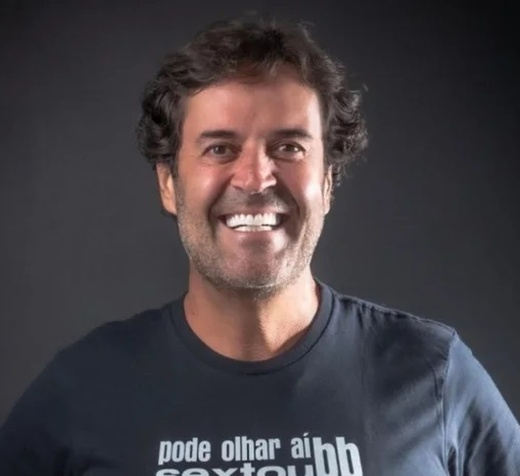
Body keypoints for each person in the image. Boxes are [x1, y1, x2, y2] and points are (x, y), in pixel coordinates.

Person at [0, 16, 519, 476]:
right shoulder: (85, 387)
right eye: (219, 148)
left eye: (288, 146)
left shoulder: (433, 374)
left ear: (328, 182)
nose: (254, 178)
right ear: (168, 184)